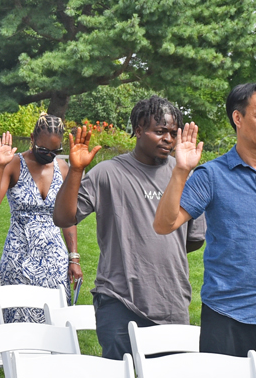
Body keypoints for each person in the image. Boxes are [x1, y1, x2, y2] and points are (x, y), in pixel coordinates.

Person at [154, 83, 256, 377]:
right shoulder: (211, 175)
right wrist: (181, 170)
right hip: (226, 315)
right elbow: (164, 224)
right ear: (238, 118)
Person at [53, 96, 206, 360]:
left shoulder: (185, 174)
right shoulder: (107, 173)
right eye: (160, 131)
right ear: (138, 130)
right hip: (118, 300)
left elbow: (194, 238)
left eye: (173, 133)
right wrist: (76, 171)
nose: (168, 139)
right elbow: (63, 218)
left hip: (171, 301)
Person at [0, 114, 83, 322]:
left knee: (53, 321)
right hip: (19, 255)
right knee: (17, 319)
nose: (49, 156)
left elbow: (67, 218)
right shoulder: (14, 164)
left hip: (54, 259)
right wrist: (0, 166)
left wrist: (73, 257)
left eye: (55, 151)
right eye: (44, 150)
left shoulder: (63, 168)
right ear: (32, 139)